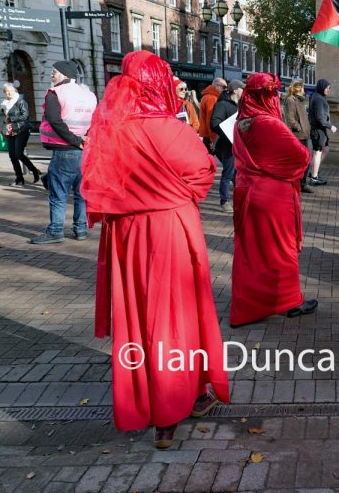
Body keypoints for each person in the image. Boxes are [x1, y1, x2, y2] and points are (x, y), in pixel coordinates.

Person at [81, 50, 229, 449]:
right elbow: (203, 171)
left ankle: (153, 397)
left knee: (139, 316)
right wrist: (173, 194)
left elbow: (95, 181)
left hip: (127, 235)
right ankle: (175, 406)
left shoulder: (110, 130)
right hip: (169, 230)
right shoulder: (170, 129)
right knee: (176, 316)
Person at [230, 73, 317, 326]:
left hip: (248, 192)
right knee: (280, 250)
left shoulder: (240, 122)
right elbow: (301, 156)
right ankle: (288, 300)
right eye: (273, 94)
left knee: (251, 252)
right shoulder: (268, 123)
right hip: (272, 196)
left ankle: (250, 305)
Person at [31, 60, 97, 244]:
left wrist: (74, 141)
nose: (51, 74)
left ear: (64, 73)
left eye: (54, 71)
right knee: (81, 194)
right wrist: (84, 140)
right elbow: (95, 120)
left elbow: (55, 121)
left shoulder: (56, 93)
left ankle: (55, 231)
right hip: (84, 151)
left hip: (64, 151)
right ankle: (81, 229)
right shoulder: (89, 95)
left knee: (58, 195)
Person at [210, 79, 244, 214]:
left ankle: (240, 198)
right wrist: (228, 132)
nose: (244, 91)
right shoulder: (222, 104)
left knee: (239, 174)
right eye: (242, 89)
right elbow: (214, 123)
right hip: (227, 145)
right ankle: (224, 201)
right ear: (235, 90)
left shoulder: (241, 105)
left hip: (239, 144)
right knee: (228, 173)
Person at [0, 83, 40, 187]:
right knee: (12, 156)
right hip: (11, 130)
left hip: (22, 130)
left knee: (18, 154)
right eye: (6, 91)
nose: (9, 93)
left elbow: (25, 115)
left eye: (11, 91)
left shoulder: (21, 101)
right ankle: (19, 177)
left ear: (15, 91)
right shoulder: (5, 104)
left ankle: (34, 171)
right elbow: (6, 117)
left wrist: (11, 118)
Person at [284, 79, 314, 194]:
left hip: (304, 134)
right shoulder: (291, 100)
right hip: (297, 135)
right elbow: (290, 117)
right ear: (299, 88)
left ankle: (302, 183)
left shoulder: (300, 100)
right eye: (302, 87)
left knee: (306, 159)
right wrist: (298, 127)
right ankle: (297, 183)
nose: (304, 89)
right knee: (299, 161)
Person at [308, 78, 337, 186]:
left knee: (325, 149)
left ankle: (312, 172)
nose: (328, 90)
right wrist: (331, 126)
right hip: (318, 130)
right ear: (322, 87)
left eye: (329, 88)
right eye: (327, 88)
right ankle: (314, 177)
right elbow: (320, 117)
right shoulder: (319, 99)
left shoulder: (317, 96)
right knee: (317, 153)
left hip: (320, 130)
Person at [198, 77, 227, 153]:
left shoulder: (207, 96)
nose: (225, 90)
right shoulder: (212, 98)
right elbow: (210, 120)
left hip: (207, 135)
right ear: (217, 86)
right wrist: (213, 140)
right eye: (224, 87)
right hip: (210, 136)